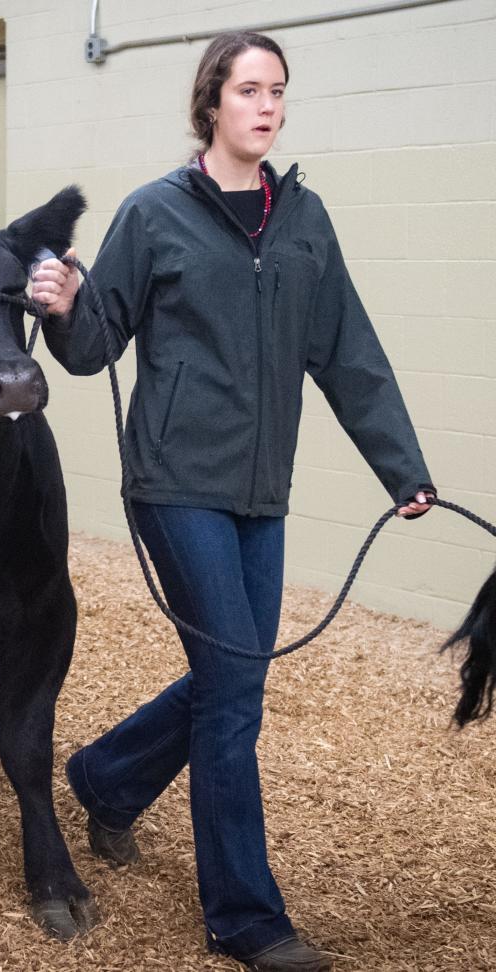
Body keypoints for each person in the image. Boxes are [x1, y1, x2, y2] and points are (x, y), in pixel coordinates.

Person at [31, 30, 434, 972]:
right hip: (175, 485)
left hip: (261, 488)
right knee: (236, 699)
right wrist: (59, 306)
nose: (266, 106)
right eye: (248, 89)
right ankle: (246, 919)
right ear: (211, 102)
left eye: (278, 91)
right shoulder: (154, 215)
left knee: (232, 679)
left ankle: (104, 778)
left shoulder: (304, 222)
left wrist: (402, 467)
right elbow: (95, 345)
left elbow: (349, 354)